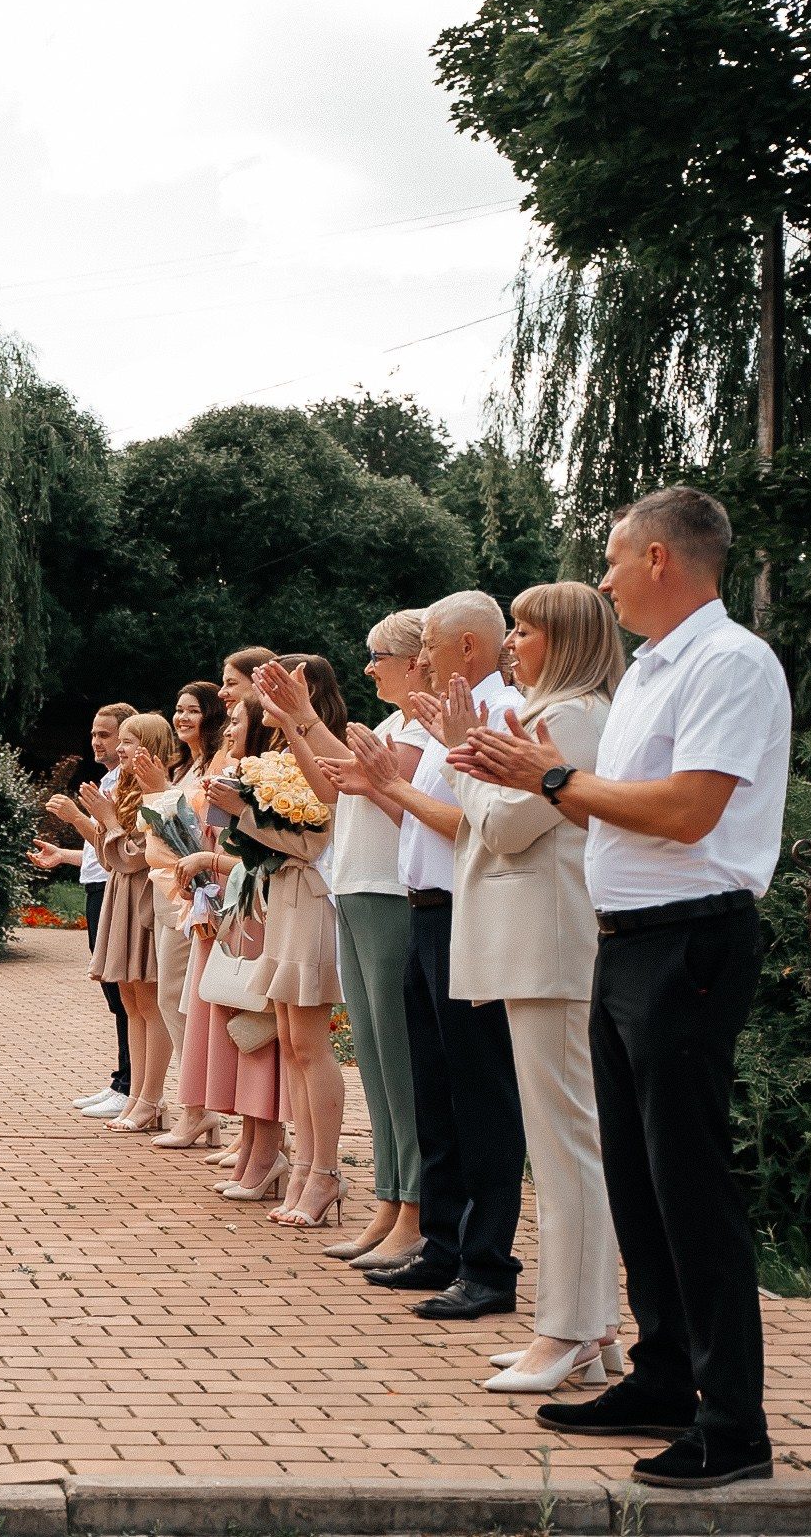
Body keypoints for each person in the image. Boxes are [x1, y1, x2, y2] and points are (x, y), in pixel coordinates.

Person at [455, 487, 787, 1489]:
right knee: (639, 1181)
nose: (600, 578)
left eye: (610, 557)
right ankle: (660, 1376)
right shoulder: (651, 670)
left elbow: (687, 811)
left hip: (690, 942)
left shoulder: (728, 662)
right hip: (626, 942)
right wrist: (552, 776)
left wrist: (550, 782)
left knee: (687, 1187)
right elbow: (610, 802)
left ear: (657, 559)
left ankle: (732, 1426)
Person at [427, 582, 625, 1393]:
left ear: (565, 638)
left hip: (547, 946)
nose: (511, 642)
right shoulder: (556, 710)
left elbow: (509, 824)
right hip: (536, 943)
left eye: (524, 629)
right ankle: (595, 1328)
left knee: (565, 1145)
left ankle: (568, 1330)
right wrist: (478, 757)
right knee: (564, 1143)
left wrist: (464, 755)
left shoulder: (568, 715)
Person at [342, 592, 527, 1320]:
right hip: (425, 911)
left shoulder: (497, 714)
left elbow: (473, 826)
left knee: (479, 1093)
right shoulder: (445, 713)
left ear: (468, 649)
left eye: (429, 647)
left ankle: (487, 1262)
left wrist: (389, 786)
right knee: (434, 1093)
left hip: (465, 914)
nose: (417, 659)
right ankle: (443, 1245)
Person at [261, 616, 428, 1267]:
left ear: (415, 661)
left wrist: (304, 713)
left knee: (398, 1058)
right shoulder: (389, 727)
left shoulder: (417, 732)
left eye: (377, 656)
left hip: (391, 895)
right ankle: (388, 1202)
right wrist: (298, 723)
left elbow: (388, 793)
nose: (367, 668)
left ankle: (411, 1206)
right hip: (355, 892)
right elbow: (330, 784)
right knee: (378, 1063)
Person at [217, 654, 348, 1230]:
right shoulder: (277, 757)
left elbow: (315, 841)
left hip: (315, 899)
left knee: (311, 1045)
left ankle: (325, 1170)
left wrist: (243, 814)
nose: (264, 702)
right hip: (285, 899)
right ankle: (301, 1167)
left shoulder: (326, 749)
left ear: (307, 691)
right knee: (292, 1043)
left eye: (278, 689)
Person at [174, 702, 289, 1198]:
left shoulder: (272, 782)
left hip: (263, 910)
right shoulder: (241, 776)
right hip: (243, 911)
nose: (228, 728)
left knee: (256, 1028)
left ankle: (267, 1153)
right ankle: (251, 1147)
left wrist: (212, 862)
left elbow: (270, 858)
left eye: (238, 720)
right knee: (235, 1025)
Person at [70, 713, 182, 1133]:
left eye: (130, 741)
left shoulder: (159, 792)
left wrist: (107, 820)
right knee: (132, 1000)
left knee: (150, 1002)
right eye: (123, 741)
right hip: (122, 892)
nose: (121, 749)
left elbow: (138, 853)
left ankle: (151, 1097)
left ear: (151, 746)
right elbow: (108, 856)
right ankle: (136, 1094)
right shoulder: (127, 789)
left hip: (145, 896)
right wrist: (101, 820)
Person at [43, 704, 136, 1119]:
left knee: (125, 991)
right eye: (95, 734)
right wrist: (62, 855)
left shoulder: (125, 783)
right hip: (99, 887)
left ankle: (132, 1085)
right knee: (114, 991)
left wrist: (76, 816)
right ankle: (122, 1079)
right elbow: (98, 853)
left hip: (116, 888)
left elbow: (109, 842)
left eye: (107, 735)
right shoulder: (108, 779)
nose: (97, 741)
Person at [146, 682, 224, 1150]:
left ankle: (199, 1107)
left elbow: (195, 830)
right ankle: (197, 1103)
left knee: (182, 997)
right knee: (168, 996)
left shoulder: (214, 765)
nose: (182, 718)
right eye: (177, 709)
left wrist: (159, 794)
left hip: (197, 890)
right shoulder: (183, 766)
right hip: (170, 888)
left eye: (192, 710)